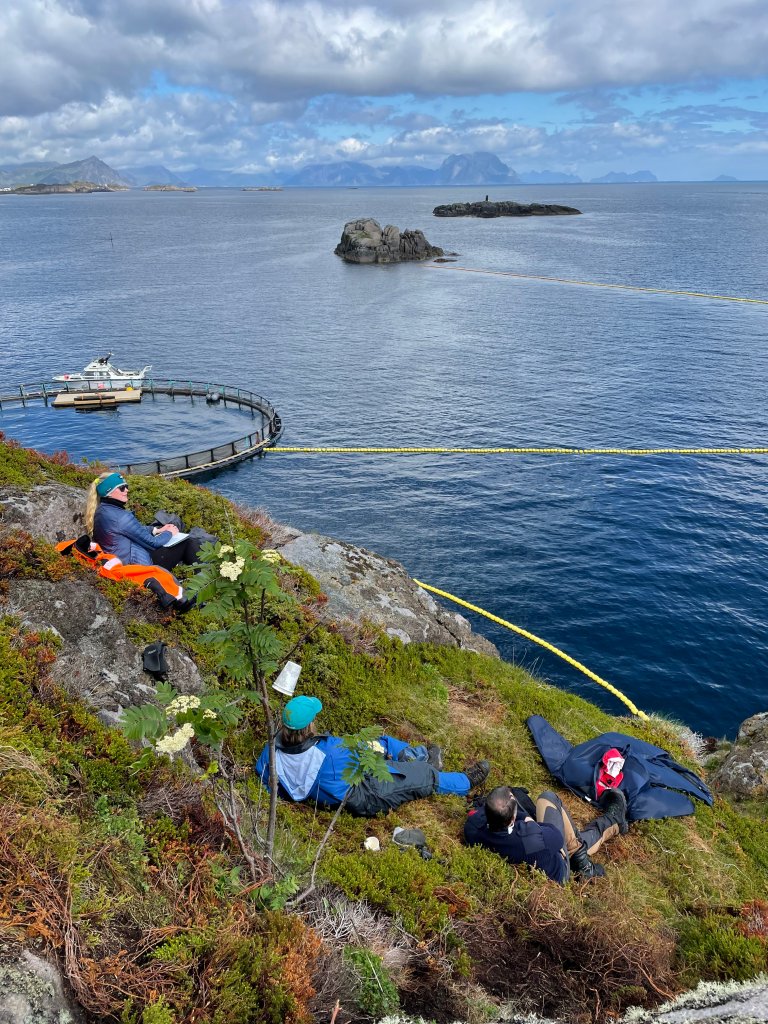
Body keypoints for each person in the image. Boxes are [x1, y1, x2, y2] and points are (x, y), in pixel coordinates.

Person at [255, 695, 491, 817]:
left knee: (383, 743)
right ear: (309, 726)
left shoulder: (270, 753)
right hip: (362, 794)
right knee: (422, 776)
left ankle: (419, 755)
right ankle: (463, 781)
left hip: (334, 786)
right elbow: (365, 759)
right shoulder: (330, 753)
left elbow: (265, 777)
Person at [464, 785, 627, 883]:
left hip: (526, 848)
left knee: (578, 840)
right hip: (559, 870)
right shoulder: (530, 838)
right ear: (513, 817)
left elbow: (476, 815)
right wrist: (528, 820)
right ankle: (612, 824)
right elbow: (556, 836)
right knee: (548, 798)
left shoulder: (473, 828)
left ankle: (612, 822)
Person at [86, 471, 213, 571]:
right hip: (138, 566)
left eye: (126, 486)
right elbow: (153, 543)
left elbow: (133, 531)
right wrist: (170, 533)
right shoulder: (121, 517)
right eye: (122, 488)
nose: (127, 490)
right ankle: (202, 582)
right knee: (189, 542)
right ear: (109, 492)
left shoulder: (102, 510)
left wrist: (157, 529)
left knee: (168, 530)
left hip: (124, 559)